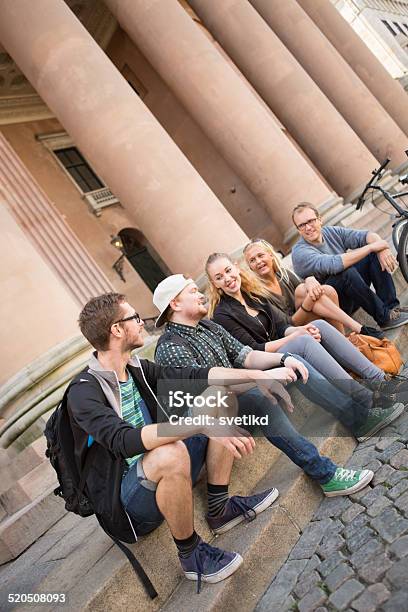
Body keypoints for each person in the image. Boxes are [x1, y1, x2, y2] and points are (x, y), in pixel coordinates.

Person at [68, 292, 292, 590]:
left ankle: (219, 509)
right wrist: (202, 424)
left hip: (166, 464)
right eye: (134, 317)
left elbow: (197, 376)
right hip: (129, 499)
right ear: (117, 330)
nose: (142, 321)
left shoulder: (136, 368)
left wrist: (258, 375)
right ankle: (191, 554)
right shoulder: (83, 391)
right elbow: (125, 440)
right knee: (170, 451)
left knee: (218, 394)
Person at [153, 274, 388, 499]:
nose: (201, 295)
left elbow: (246, 356)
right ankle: (326, 474)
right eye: (193, 292)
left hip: (231, 401)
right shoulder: (171, 348)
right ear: (175, 303)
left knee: (292, 364)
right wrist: (261, 377)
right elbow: (211, 389)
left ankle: (359, 419)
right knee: (260, 397)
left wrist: (283, 360)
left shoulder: (207, 327)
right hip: (207, 426)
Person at [204, 254, 406, 436]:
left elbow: (284, 325)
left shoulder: (253, 295)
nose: (227, 278)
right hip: (263, 364)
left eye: (228, 270)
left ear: (236, 267)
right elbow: (254, 350)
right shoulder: (222, 314)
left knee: (316, 324)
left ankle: (380, 381)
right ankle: (364, 396)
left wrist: (302, 330)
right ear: (215, 284)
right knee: (301, 340)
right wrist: (297, 335)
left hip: (281, 350)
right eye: (219, 277)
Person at [291, 202, 408, 331]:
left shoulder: (330, 232)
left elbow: (366, 236)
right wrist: (373, 247)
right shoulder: (299, 252)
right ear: (298, 230)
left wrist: (381, 248)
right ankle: (384, 318)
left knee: (373, 254)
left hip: (354, 291)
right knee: (344, 272)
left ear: (320, 220)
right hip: (333, 307)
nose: (308, 227)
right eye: (302, 225)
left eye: (311, 221)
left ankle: (392, 309)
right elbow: (334, 265)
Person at [243, 238, 382, 338]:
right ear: (250, 267)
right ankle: (356, 328)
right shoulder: (257, 294)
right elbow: (288, 323)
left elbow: (308, 291)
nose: (258, 262)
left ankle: (344, 338)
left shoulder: (284, 274)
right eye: (252, 260)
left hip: (307, 315)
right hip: (292, 330)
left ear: (271, 256)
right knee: (309, 291)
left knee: (326, 290)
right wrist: (309, 299)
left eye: (261, 255)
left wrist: (310, 279)